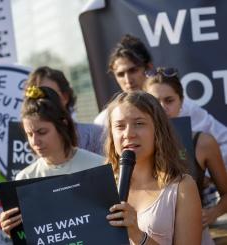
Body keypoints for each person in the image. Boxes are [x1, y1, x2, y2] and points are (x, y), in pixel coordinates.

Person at [94, 34, 227, 168]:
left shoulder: (183, 108)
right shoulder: (104, 120)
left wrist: (205, 170)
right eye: (121, 74)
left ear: (148, 68)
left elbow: (224, 141)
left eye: (133, 70)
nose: (128, 80)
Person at [0, 86, 104, 235]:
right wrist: (14, 230)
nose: (35, 141)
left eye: (42, 132)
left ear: (63, 125)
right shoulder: (24, 178)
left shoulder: (98, 165)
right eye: (29, 134)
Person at [105, 91, 202, 244]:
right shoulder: (101, 186)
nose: (129, 134)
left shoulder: (182, 187)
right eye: (120, 126)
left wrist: (136, 234)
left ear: (158, 130)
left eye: (139, 123)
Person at [143, 67, 227, 244]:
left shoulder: (203, 142)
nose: (162, 107)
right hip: (147, 235)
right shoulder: (135, 146)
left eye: (169, 100)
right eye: (155, 101)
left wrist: (212, 213)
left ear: (181, 102)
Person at [25, 66, 104, 155]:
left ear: (65, 97)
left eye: (49, 94)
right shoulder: (27, 143)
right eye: (36, 95)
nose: (42, 102)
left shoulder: (94, 135)